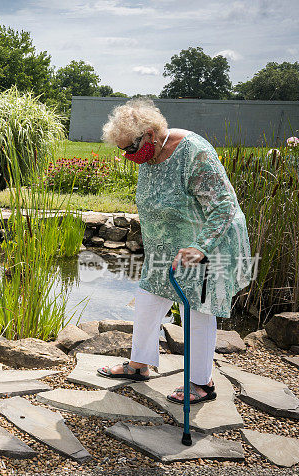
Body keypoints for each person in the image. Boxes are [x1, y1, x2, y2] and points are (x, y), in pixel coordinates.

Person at [95, 98, 251, 404]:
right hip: (165, 248)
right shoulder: (148, 155)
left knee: (198, 309)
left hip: (207, 242)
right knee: (148, 299)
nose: (127, 155)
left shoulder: (194, 152)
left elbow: (224, 206)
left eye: (130, 147)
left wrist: (200, 247)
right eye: (122, 150)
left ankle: (201, 383)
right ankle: (139, 366)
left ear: (151, 134)